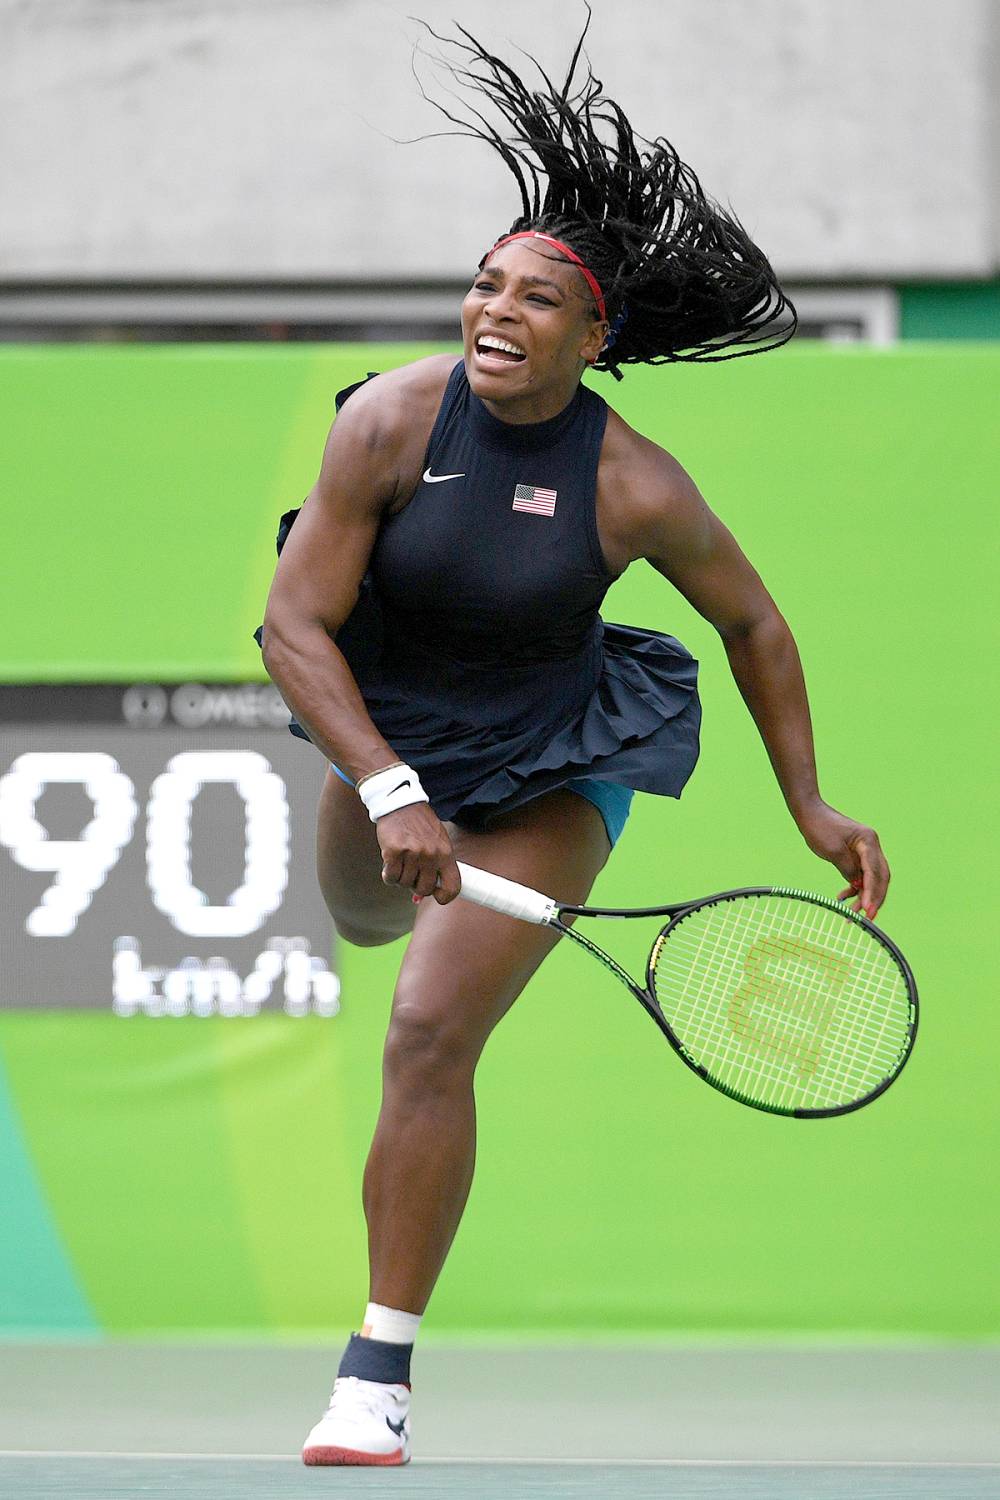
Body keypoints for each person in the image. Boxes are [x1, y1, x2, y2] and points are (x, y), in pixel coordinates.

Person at [255, 15, 889, 1467]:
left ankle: (374, 1379)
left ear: (592, 337)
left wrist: (808, 803)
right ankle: (386, 830)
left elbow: (760, 630)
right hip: (393, 730)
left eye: (534, 298)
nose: (494, 310)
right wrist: (393, 786)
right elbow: (295, 629)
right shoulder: (390, 422)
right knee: (358, 917)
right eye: (483, 283)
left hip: (558, 746)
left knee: (426, 1031)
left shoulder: (638, 486)